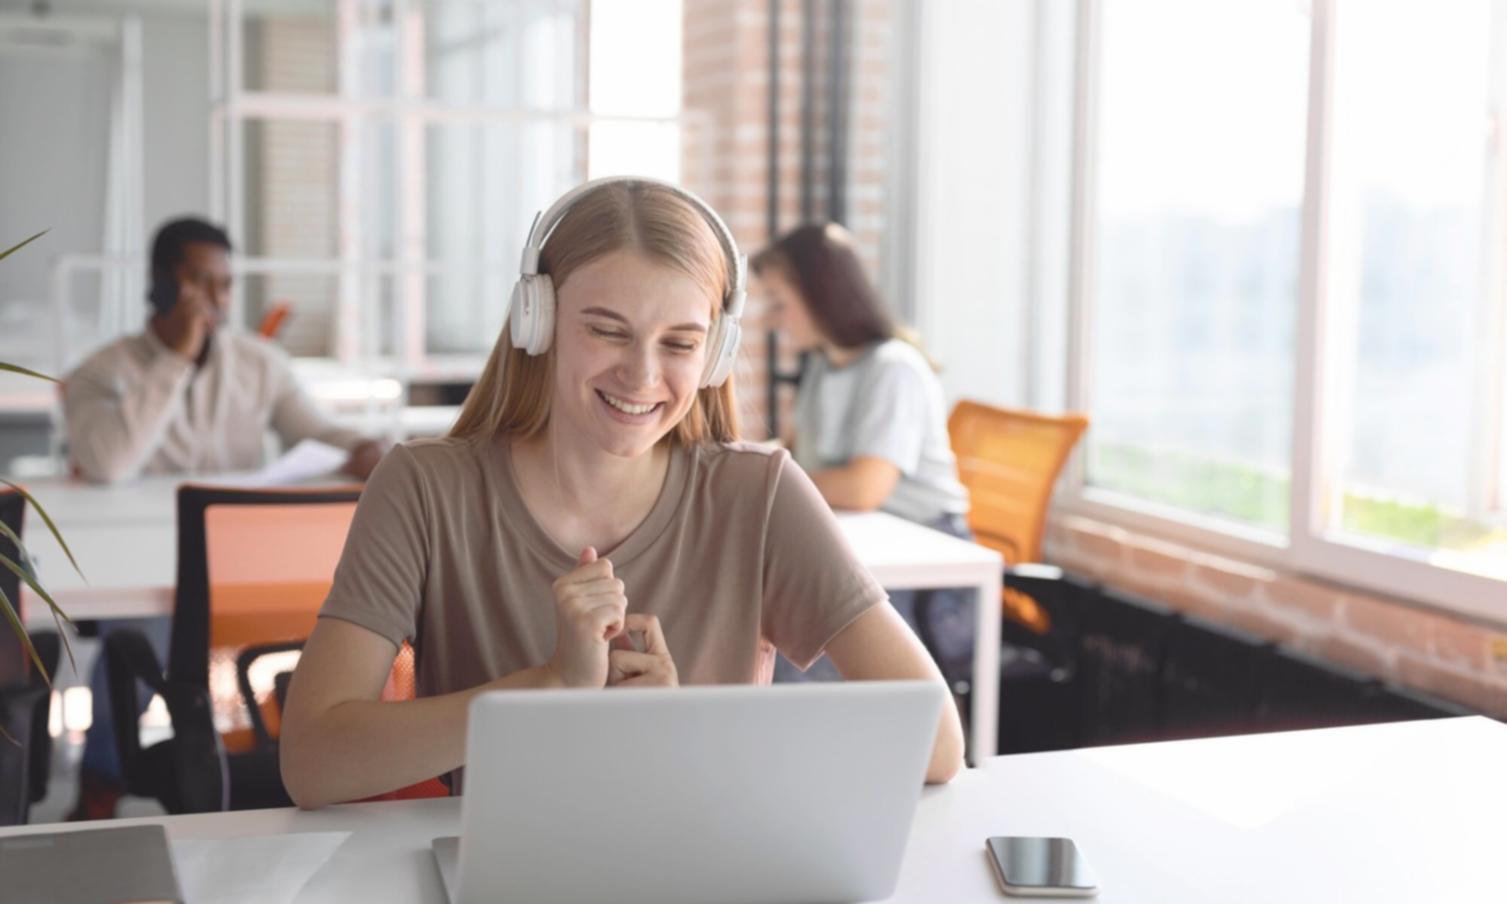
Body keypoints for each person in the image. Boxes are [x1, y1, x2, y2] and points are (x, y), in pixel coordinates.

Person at [279, 178, 964, 808]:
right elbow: (312, 762)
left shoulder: (760, 494)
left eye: (679, 343)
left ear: (716, 354)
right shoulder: (424, 488)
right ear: (535, 321)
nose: (641, 375)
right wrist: (550, 685)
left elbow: (936, 744)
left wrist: (678, 727)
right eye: (607, 331)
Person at [61, 217, 386, 819]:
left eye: (225, 285)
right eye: (196, 282)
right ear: (160, 286)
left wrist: (364, 448)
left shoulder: (259, 363)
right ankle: (102, 780)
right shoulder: (103, 371)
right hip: (140, 557)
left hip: (230, 561)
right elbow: (106, 462)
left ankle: (265, 759)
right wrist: (177, 359)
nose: (214, 300)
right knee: (146, 639)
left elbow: (315, 431)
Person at [751, 223, 973, 686]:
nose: (772, 321)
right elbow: (794, 454)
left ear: (818, 294)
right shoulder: (822, 367)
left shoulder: (894, 370)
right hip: (865, 553)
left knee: (799, 652)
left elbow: (863, 487)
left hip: (932, 577)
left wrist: (766, 478)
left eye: (778, 303)